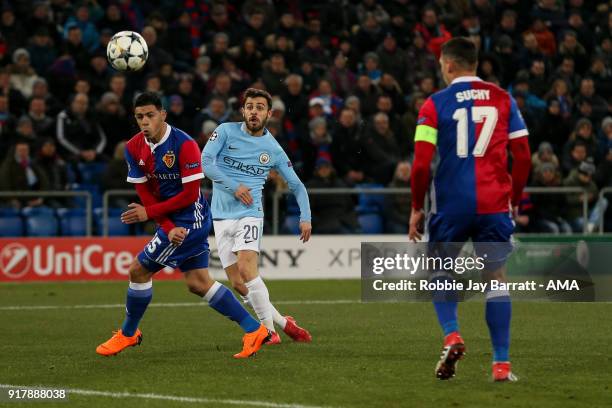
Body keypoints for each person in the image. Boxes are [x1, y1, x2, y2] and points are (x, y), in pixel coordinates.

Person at [95, 92, 270, 360]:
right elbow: (146, 195)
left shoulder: (184, 144)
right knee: (198, 282)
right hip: (173, 221)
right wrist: (164, 225)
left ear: (163, 114)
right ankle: (254, 329)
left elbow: (189, 195)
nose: (145, 121)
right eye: (140, 116)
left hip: (191, 218)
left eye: (150, 115)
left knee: (138, 271)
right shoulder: (133, 147)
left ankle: (129, 334)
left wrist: (152, 215)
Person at [408, 38, 531, 382]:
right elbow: (522, 156)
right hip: (494, 203)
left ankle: (452, 334)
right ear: (475, 64)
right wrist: (515, 199)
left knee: (441, 270)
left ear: (447, 65)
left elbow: (420, 166)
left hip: (451, 204)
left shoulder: (434, 104)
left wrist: (417, 207)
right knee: (495, 278)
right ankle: (501, 365)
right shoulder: (504, 100)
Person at [202, 88, 313, 345]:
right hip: (221, 216)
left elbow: (296, 185)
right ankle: (285, 324)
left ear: (269, 113)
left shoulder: (273, 148)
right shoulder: (225, 131)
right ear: (243, 111)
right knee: (239, 284)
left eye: (259, 107)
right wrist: (234, 186)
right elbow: (206, 162)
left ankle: (269, 333)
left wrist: (305, 217)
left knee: (246, 268)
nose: (254, 111)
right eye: (250, 106)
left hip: (250, 213)